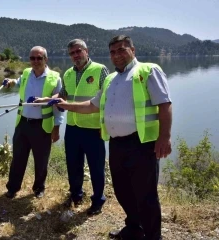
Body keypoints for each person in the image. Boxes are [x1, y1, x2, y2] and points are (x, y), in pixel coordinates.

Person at [41, 35, 172, 240]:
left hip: (142, 144)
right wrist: (63, 104)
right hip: (117, 144)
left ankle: (153, 236)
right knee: (122, 190)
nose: (117, 55)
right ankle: (133, 227)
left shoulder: (148, 70)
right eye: (113, 52)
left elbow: (165, 104)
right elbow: (92, 105)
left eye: (121, 50)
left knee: (146, 195)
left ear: (132, 50)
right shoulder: (111, 79)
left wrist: (164, 137)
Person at [56, 39, 109, 216]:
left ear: (87, 51)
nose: (76, 55)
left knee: (96, 167)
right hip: (72, 127)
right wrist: (48, 100)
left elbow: (106, 99)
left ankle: (98, 200)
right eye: (72, 53)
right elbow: (63, 94)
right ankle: (76, 195)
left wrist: (105, 124)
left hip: (94, 128)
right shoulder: (68, 73)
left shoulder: (100, 70)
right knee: (73, 164)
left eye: (79, 51)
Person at [4, 46, 64, 199]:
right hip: (22, 124)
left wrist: (56, 127)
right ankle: (13, 187)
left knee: (41, 159)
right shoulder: (25, 73)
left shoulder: (55, 78)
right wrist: (11, 82)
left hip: (42, 126)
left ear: (46, 59)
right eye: (32, 58)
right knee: (18, 158)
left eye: (39, 58)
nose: (36, 61)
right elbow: (19, 82)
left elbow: (58, 104)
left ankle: (39, 188)